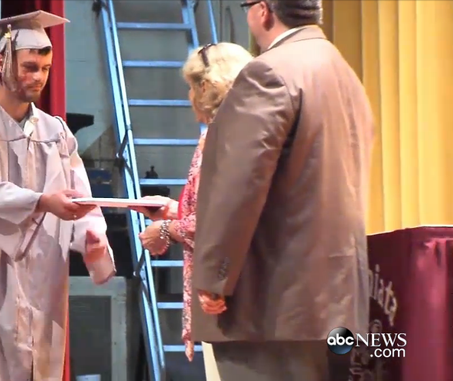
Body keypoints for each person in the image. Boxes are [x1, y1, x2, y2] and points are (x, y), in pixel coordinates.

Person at [192, 0, 375, 380]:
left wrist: (215, 277)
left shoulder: (270, 71)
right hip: (335, 298)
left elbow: (239, 184)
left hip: (272, 303)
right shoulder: (343, 72)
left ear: (263, 10)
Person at [0, 11, 116, 381]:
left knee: (37, 363)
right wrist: (42, 202)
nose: (38, 78)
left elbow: (79, 196)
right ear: (1, 61)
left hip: (43, 269)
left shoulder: (56, 132)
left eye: (46, 69)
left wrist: (91, 238)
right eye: (30, 67)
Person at [132, 43, 252, 378]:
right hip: (221, 287)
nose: (188, 96)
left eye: (191, 86)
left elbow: (225, 218)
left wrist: (167, 230)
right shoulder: (224, 133)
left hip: (230, 292)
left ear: (207, 87)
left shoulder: (230, 137)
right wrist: (172, 210)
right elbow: (210, 205)